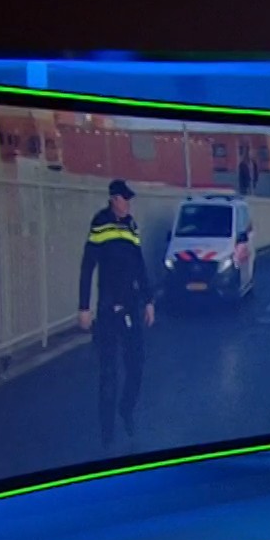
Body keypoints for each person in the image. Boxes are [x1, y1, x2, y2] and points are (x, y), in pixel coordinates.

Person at [79, 179, 155, 447]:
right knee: (108, 373)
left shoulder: (131, 225)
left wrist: (148, 300)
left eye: (129, 199)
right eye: (125, 199)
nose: (128, 203)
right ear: (113, 199)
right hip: (108, 309)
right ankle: (107, 434)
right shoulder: (100, 223)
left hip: (131, 305)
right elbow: (87, 266)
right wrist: (84, 307)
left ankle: (126, 408)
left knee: (136, 364)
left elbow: (139, 265)